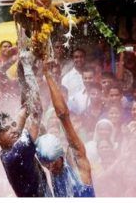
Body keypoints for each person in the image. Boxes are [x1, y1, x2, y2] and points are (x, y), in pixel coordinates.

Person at [0, 50, 52, 197]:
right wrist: (28, 69)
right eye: (6, 129)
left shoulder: (10, 144)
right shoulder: (16, 153)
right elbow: (36, 111)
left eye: (12, 125)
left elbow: (24, 108)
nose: (12, 129)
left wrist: (21, 73)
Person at [35, 60, 95, 197]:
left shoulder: (79, 165)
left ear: (60, 155)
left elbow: (63, 116)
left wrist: (47, 75)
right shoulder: (48, 160)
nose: (50, 168)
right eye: (47, 165)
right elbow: (35, 123)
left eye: (53, 164)